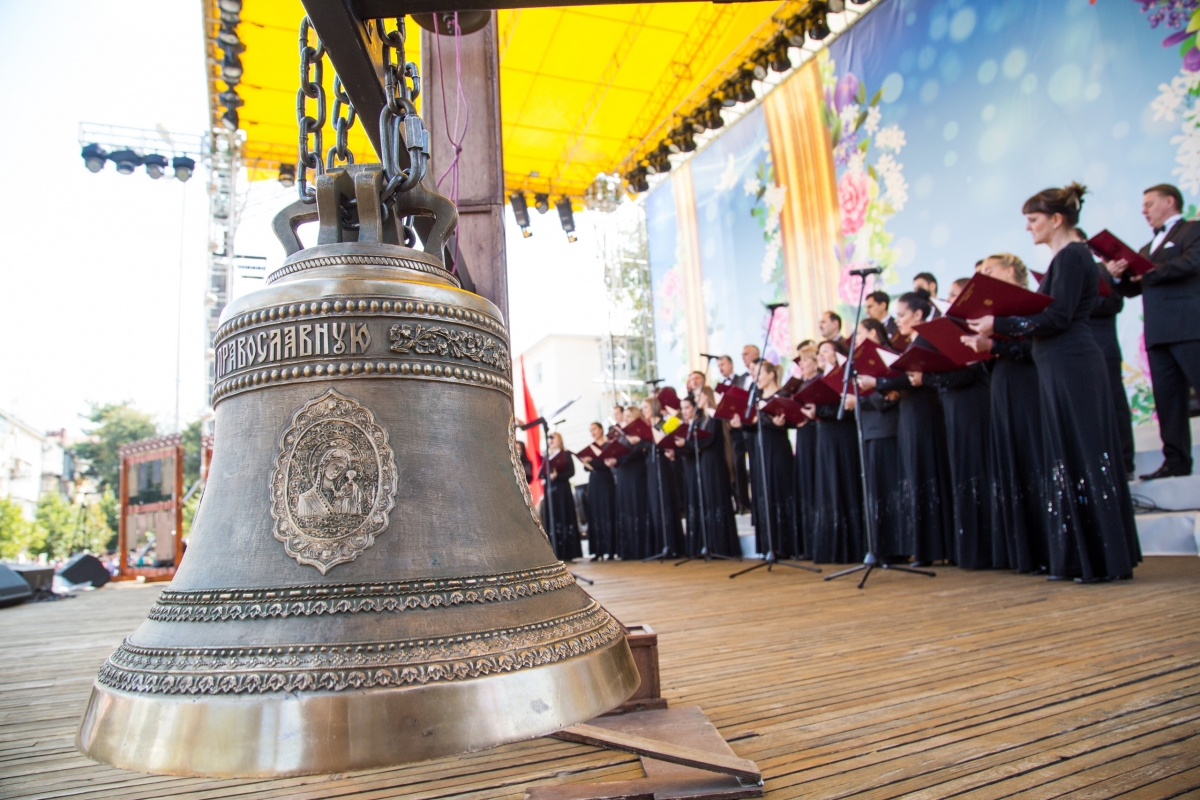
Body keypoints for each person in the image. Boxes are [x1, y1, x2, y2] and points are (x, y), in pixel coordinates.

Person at [969, 182, 1140, 582]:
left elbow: (1057, 318)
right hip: (1059, 364)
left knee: (1082, 453)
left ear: (1056, 219)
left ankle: (1099, 560)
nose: (1028, 228)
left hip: (1072, 363)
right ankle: (1087, 557)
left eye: (1033, 220)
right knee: (1068, 454)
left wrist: (1000, 324)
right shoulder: (1066, 259)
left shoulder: (1072, 256)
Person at [962, 253, 1052, 574]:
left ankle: (1046, 546)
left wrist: (994, 345)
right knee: (1011, 459)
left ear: (1011, 271)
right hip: (1002, 383)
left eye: (989, 271)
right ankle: (1022, 551)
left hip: (1028, 384)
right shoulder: (993, 313)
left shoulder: (1031, 304)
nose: (983, 276)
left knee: (1033, 456)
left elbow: (1035, 347)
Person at [1108, 183, 1200, 480]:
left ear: (1170, 201)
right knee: (1168, 403)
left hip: (1189, 327)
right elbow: (1134, 289)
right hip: (1158, 334)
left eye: (1149, 203)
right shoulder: (1147, 249)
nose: (1143, 210)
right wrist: (1120, 275)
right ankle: (1176, 462)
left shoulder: (1192, 230)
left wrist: (1150, 271)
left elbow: (1192, 263)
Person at [858, 292, 955, 566]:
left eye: (901, 315)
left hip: (924, 413)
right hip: (910, 415)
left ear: (919, 315)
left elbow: (912, 379)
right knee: (916, 476)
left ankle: (936, 548)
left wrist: (878, 384)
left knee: (927, 473)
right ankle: (926, 547)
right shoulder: (912, 342)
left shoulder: (926, 340)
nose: (897, 321)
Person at [920, 312, 994, 570]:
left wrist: (929, 377)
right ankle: (970, 550)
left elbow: (971, 372)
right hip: (953, 405)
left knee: (978, 471)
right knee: (963, 474)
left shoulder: (968, 330)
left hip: (974, 406)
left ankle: (987, 549)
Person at [1079, 228, 1136, 475]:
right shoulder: (1063, 274)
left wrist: (1076, 301)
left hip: (1104, 348)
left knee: (1115, 407)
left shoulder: (1101, 271)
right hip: (1078, 353)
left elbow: (1113, 303)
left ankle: (1124, 463)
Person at [730, 361, 799, 557]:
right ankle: (769, 546)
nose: (756, 377)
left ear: (771, 375)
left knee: (780, 490)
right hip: (759, 450)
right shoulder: (756, 397)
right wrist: (741, 423)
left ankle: (786, 545)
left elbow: (787, 422)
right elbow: (752, 425)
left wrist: (764, 419)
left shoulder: (784, 396)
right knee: (762, 492)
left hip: (778, 449)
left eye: (759, 374)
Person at [855, 319, 905, 562]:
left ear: (873, 333)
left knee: (891, 490)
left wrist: (875, 394)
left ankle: (899, 548)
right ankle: (881, 548)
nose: (855, 341)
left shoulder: (890, 355)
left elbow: (894, 392)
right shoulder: (859, 364)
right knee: (875, 492)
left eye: (860, 334)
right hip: (870, 429)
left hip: (889, 428)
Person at [812, 341, 865, 564]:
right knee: (829, 485)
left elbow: (849, 406)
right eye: (820, 351)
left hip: (844, 434)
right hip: (825, 435)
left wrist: (822, 410)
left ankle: (854, 546)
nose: (822, 354)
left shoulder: (845, 374)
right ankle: (831, 545)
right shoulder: (817, 380)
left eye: (826, 350)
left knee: (846, 481)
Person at [675, 390, 742, 557]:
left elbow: (709, 439)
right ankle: (709, 544)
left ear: (706, 397)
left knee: (716, 500)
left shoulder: (714, 416)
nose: (697, 400)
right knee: (707, 501)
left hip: (714, 462)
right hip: (704, 462)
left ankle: (721, 546)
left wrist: (687, 442)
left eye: (699, 396)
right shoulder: (701, 419)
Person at [606, 407, 652, 560]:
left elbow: (637, 452)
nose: (626, 419)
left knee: (636, 506)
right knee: (625, 508)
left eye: (629, 416)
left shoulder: (639, 432)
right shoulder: (622, 435)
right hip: (623, 473)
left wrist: (617, 459)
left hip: (636, 473)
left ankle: (640, 548)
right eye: (625, 416)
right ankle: (628, 549)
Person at [642, 396, 685, 557]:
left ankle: (673, 545)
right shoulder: (646, 426)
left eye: (645, 408)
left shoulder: (664, 423)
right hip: (651, 466)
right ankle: (661, 545)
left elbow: (666, 440)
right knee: (655, 504)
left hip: (664, 464)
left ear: (653, 408)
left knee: (666, 501)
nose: (643, 411)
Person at [791, 346, 821, 557]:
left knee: (815, 481)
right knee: (806, 484)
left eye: (805, 361)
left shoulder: (818, 382)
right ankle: (808, 542)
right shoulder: (801, 384)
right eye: (800, 362)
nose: (801, 364)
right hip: (803, 434)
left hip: (817, 434)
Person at [717, 355, 752, 514]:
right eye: (718, 365)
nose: (720, 367)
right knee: (736, 466)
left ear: (731, 364)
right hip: (731, 430)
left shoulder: (742, 379)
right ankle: (741, 501)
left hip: (746, 426)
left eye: (723, 364)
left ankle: (749, 501)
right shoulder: (719, 387)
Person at [541, 433, 583, 561]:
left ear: (560, 440)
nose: (551, 441)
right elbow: (541, 473)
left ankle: (568, 551)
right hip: (550, 491)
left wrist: (557, 476)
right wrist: (548, 476)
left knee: (564, 515)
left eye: (554, 438)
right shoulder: (546, 457)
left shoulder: (565, 454)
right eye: (549, 438)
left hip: (562, 491)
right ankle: (554, 551)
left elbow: (571, 472)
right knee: (552, 518)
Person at [579, 422, 617, 560]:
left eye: (594, 429)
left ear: (601, 429)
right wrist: (586, 462)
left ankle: (611, 550)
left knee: (607, 512)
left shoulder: (608, 445)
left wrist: (592, 461)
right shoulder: (591, 447)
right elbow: (587, 468)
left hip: (606, 480)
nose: (592, 432)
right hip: (594, 481)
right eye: (590, 430)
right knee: (595, 513)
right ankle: (598, 551)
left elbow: (605, 465)